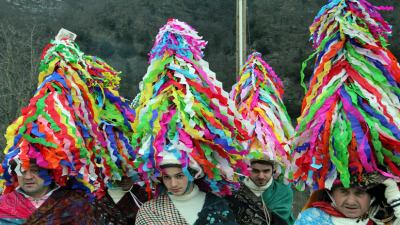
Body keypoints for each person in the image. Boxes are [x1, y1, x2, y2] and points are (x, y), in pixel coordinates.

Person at [136, 162, 237, 225]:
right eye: (167, 177)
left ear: (193, 174)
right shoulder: (150, 210)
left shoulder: (217, 205)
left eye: (179, 176)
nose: (173, 184)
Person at [0, 161, 97, 225]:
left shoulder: (74, 202)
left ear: (50, 172)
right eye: (22, 171)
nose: (28, 177)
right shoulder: (3, 204)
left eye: (35, 170)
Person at [294, 177, 400, 225]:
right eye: (343, 191)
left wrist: (394, 197)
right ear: (331, 193)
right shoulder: (311, 219)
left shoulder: (380, 222)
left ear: (372, 197)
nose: (351, 201)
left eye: (360, 193)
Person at [228, 159, 295, 225]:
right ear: (247, 168)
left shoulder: (284, 192)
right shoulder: (234, 188)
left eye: (266, 171)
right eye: (255, 171)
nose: (261, 176)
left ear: (273, 169)